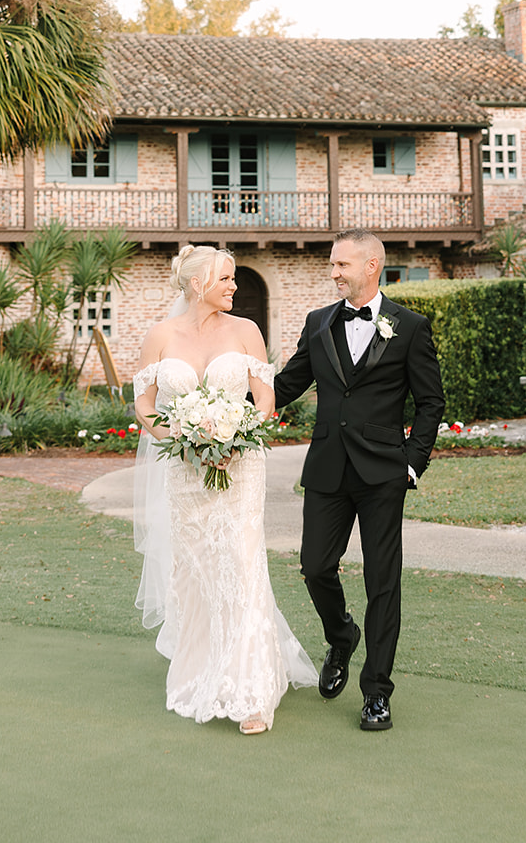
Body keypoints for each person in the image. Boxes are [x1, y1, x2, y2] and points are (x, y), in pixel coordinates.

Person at [132, 244, 317, 733]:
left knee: (240, 561)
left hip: (241, 468)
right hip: (186, 473)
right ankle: (199, 672)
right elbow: (145, 406)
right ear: (197, 284)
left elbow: (266, 400)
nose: (235, 287)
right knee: (195, 569)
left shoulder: (246, 331)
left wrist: (234, 436)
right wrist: (182, 438)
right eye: (227, 279)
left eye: (234, 279)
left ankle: (251, 691)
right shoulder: (160, 335)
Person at [273, 228, 445, 732]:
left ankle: (377, 693)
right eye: (332, 264)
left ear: (372, 266)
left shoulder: (410, 327)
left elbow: (430, 402)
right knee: (314, 566)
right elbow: (287, 384)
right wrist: (223, 411)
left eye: (341, 265)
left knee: (382, 583)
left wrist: (412, 463)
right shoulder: (318, 322)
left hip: (382, 474)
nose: (334, 273)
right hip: (327, 467)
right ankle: (340, 635)